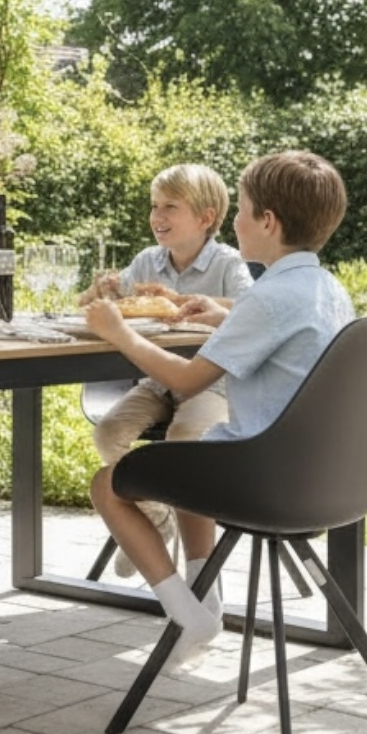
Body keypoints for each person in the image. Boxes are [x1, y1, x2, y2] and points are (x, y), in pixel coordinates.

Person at [84, 150, 354, 668]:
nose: (235, 220)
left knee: (110, 483)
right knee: (189, 455)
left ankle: (191, 612)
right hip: (321, 477)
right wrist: (218, 320)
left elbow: (187, 378)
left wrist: (119, 333)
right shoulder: (325, 288)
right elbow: (268, 335)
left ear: (268, 222)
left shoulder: (267, 297)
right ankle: (203, 593)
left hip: (258, 478)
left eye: (242, 210)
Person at [84, 164, 254, 577]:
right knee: (108, 432)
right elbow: (107, 303)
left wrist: (185, 299)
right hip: (159, 379)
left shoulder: (228, 263)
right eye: (154, 206)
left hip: (211, 384)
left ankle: (190, 563)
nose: (157, 216)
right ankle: (156, 519)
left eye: (170, 207)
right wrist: (100, 290)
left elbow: (253, 308)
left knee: (185, 437)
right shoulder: (147, 262)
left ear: (205, 218)